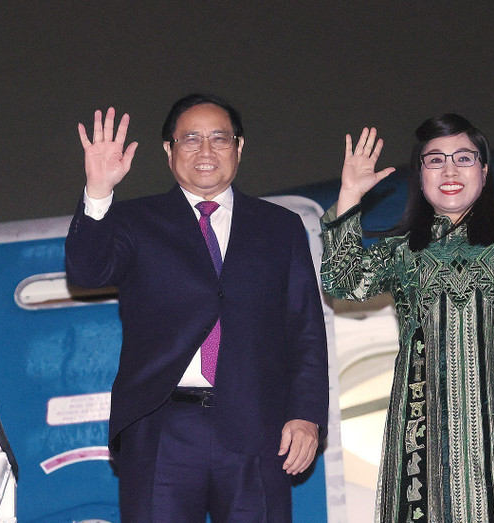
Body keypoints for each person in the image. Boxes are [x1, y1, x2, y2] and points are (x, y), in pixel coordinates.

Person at [65, 93, 328, 522]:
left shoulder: (279, 226)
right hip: (161, 427)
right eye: (190, 139)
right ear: (169, 151)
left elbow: (305, 330)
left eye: (219, 139)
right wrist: (99, 189)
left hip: (258, 429)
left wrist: (307, 415)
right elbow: (88, 271)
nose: (205, 151)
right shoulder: (135, 220)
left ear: (239, 148)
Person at [320, 115, 494, 522]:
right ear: (420, 176)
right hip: (422, 431)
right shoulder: (402, 250)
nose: (450, 170)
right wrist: (350, 193)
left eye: (463, 158)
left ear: (484, 171)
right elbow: (343, 281)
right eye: (434, 160)